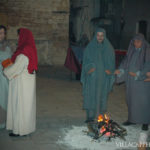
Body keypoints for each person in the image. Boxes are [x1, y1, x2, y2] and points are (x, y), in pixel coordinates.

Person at [4, 28, 38, 136]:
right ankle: (25, 128)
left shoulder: (24, 53)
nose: (18, 38)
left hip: (22, 84)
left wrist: (5, 69)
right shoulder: (29, 49)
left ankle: (20, 131)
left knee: (21, 107)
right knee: (26, 108)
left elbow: (15, 69)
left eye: (19, 36)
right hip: (26, 83)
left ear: (23, 36)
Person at [115, 33, 150, 131]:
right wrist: (121, 70)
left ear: (142, 42)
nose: (136, 43)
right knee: (131, 100)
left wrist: (139, 74)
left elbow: (148, 65)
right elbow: (125, 62)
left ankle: (145, 121)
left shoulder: (147, 51)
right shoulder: (132, 51)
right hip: (131, 82)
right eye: (134, 41)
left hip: (142, 82)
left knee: (144, 102)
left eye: (138, 41)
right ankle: (132, 119)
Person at [81, 28, 115, 123]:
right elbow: (85, 62)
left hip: (103, 78)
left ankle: (100, 116)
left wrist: (110, 70)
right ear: (95, 36)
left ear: (104, 36)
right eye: (98, 35)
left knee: (101, 96)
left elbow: (112, 62)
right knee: (91, 95)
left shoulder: (109, 48)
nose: (100, 37)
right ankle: (90, 116)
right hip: (92, 77)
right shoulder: (90, 47)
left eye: (102, 35)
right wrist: (89, 68)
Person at [0, 25, 12, 129]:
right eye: (0, 33)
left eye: (3, 33)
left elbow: (10, 59)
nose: (1, 35)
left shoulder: (7, 46)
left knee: (4, 98)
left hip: (4, 77)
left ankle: (3, 122)